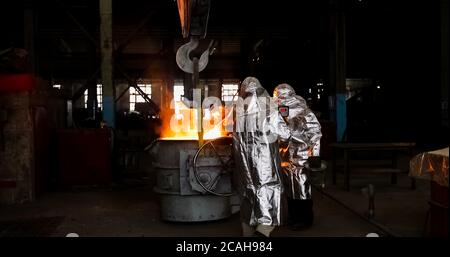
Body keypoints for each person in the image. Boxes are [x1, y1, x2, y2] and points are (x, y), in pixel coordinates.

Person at [232, 77, 291, 237]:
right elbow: (285, 134)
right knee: (267, 191)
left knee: (248, 192)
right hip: (265, 163)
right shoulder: (268, 106)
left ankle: (248, 232)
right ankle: (263, 232)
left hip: (244, 163)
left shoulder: (239, 109)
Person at [273, 83, 322, 230]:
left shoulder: (303, 111)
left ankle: (305, 219)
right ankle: (294, 217)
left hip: (301, 157)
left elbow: (316, 133)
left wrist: (315, 155)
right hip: (287, 157)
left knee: (302, 188)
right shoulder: (282, 110)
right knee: (290, 188)